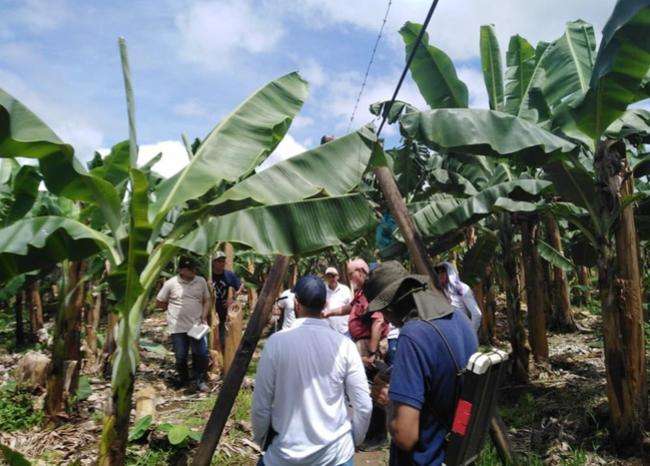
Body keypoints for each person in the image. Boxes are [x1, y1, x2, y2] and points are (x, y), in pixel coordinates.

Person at [365, 261, 478, 465]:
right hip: (453, 453)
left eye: (383, 310)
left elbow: (405, 436)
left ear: (390, 307)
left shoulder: (413, 335)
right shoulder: (460, 319)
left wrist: (388, 402)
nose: (386, 319)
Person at [252, 275, 372, 466]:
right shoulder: (344, 345)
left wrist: (261, 440)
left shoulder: (276, 343)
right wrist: (353, 441)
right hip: (336, 455)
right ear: (325, 304)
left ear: (296, 304)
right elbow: (363, 405)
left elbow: (261, 404)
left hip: (285, 456)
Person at [156, 257, 211, 392]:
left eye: (193, 268)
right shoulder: (171, 283)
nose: (193, 271)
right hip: (177, 326)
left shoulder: (201, 281)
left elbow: (207, 299)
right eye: (189, 268)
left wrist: (204, 316)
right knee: (181, 356)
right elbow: (159, 302)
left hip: (196, 324)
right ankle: (184, 380)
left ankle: (200, 381)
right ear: (181, 270)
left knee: (201, 354)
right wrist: (170, 309)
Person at [435, 262, 483, 334]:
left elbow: (477, 314)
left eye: (443, 272)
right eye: (438, 273)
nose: (440, 275)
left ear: (449, 273)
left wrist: (470, 334)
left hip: (460, 333)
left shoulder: (462, 289)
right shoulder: (438, 291)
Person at [212, 251, 244, 347]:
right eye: (219, 261)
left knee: (222, 338)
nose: (221, 263)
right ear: (213, 262)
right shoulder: (208, 275)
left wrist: (233, 299)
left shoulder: (229, 275)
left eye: (223, 261)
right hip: (211, 311)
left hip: (223, 311)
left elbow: (240, 286)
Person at [323, 266, 352, 336]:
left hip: (344, 331)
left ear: (337, 277)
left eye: (333, 276)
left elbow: (351, 307)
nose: (331, 278)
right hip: (328, 331)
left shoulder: (345, 290)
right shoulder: (322, 291)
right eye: (328, 276)